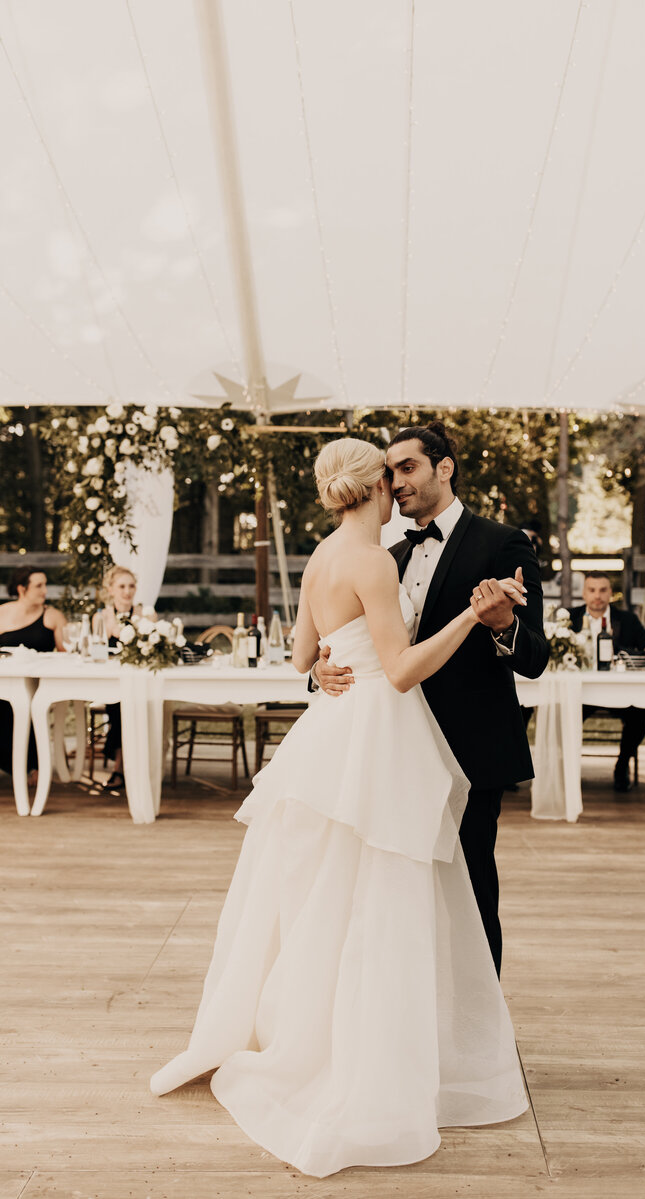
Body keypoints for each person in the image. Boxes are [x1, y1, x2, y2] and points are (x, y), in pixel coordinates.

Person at [150, 438, 529, 1177]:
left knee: (325, 897)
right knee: (378, 895)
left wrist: (326, 664)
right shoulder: (374, 559)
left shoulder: (322, 555)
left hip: (328, 736)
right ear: (378, 486)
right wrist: (469, 619)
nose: (399, 487)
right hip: (376, 736)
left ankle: (318, 1035)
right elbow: (399, 670)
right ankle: (368, 1055)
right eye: (391, 476)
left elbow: (300, 659)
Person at [315, 422, 549, 975]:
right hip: (391, 750)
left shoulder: (502, 542)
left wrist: (502, 624)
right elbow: (357, 643)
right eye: (389, 471)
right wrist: (322, 670)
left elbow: (536, 657)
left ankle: (478, 1031)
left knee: (469, 893)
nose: (395, 481)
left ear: (444, 468)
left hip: (468, 751)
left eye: (408, 467)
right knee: (397, 895)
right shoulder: (385, 554)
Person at [569, 571, 645, 792]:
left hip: (620, 692)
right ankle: (568, 769)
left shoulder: (627, 620)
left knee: (641, 716)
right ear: (584, 593)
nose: (597, 596)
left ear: (610, 593)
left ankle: (622, 765)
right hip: (580, 693)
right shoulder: (569, 617)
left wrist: (640, 655)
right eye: (592, 590)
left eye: (603, 590)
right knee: (564, 713)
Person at [0, 567, 66, 778]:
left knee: (25, 704)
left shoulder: (53, 616)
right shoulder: (2, 613)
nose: (44, 590)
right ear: (22, 589)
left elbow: (69, 655)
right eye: (39, 585)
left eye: (45, 584)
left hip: (40, 684)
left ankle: (31, 766)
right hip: (5, 680)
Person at [93, 565, 140, 792]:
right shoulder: (101, 617)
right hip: (109, 681)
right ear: (110, 590)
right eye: (121, 586)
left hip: (138, 680)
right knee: (120, 707)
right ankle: (122, 768)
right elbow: (96, 652)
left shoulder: (144, 615)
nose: (127, 591)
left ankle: (124, 769)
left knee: (130, 704)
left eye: (131, 586)